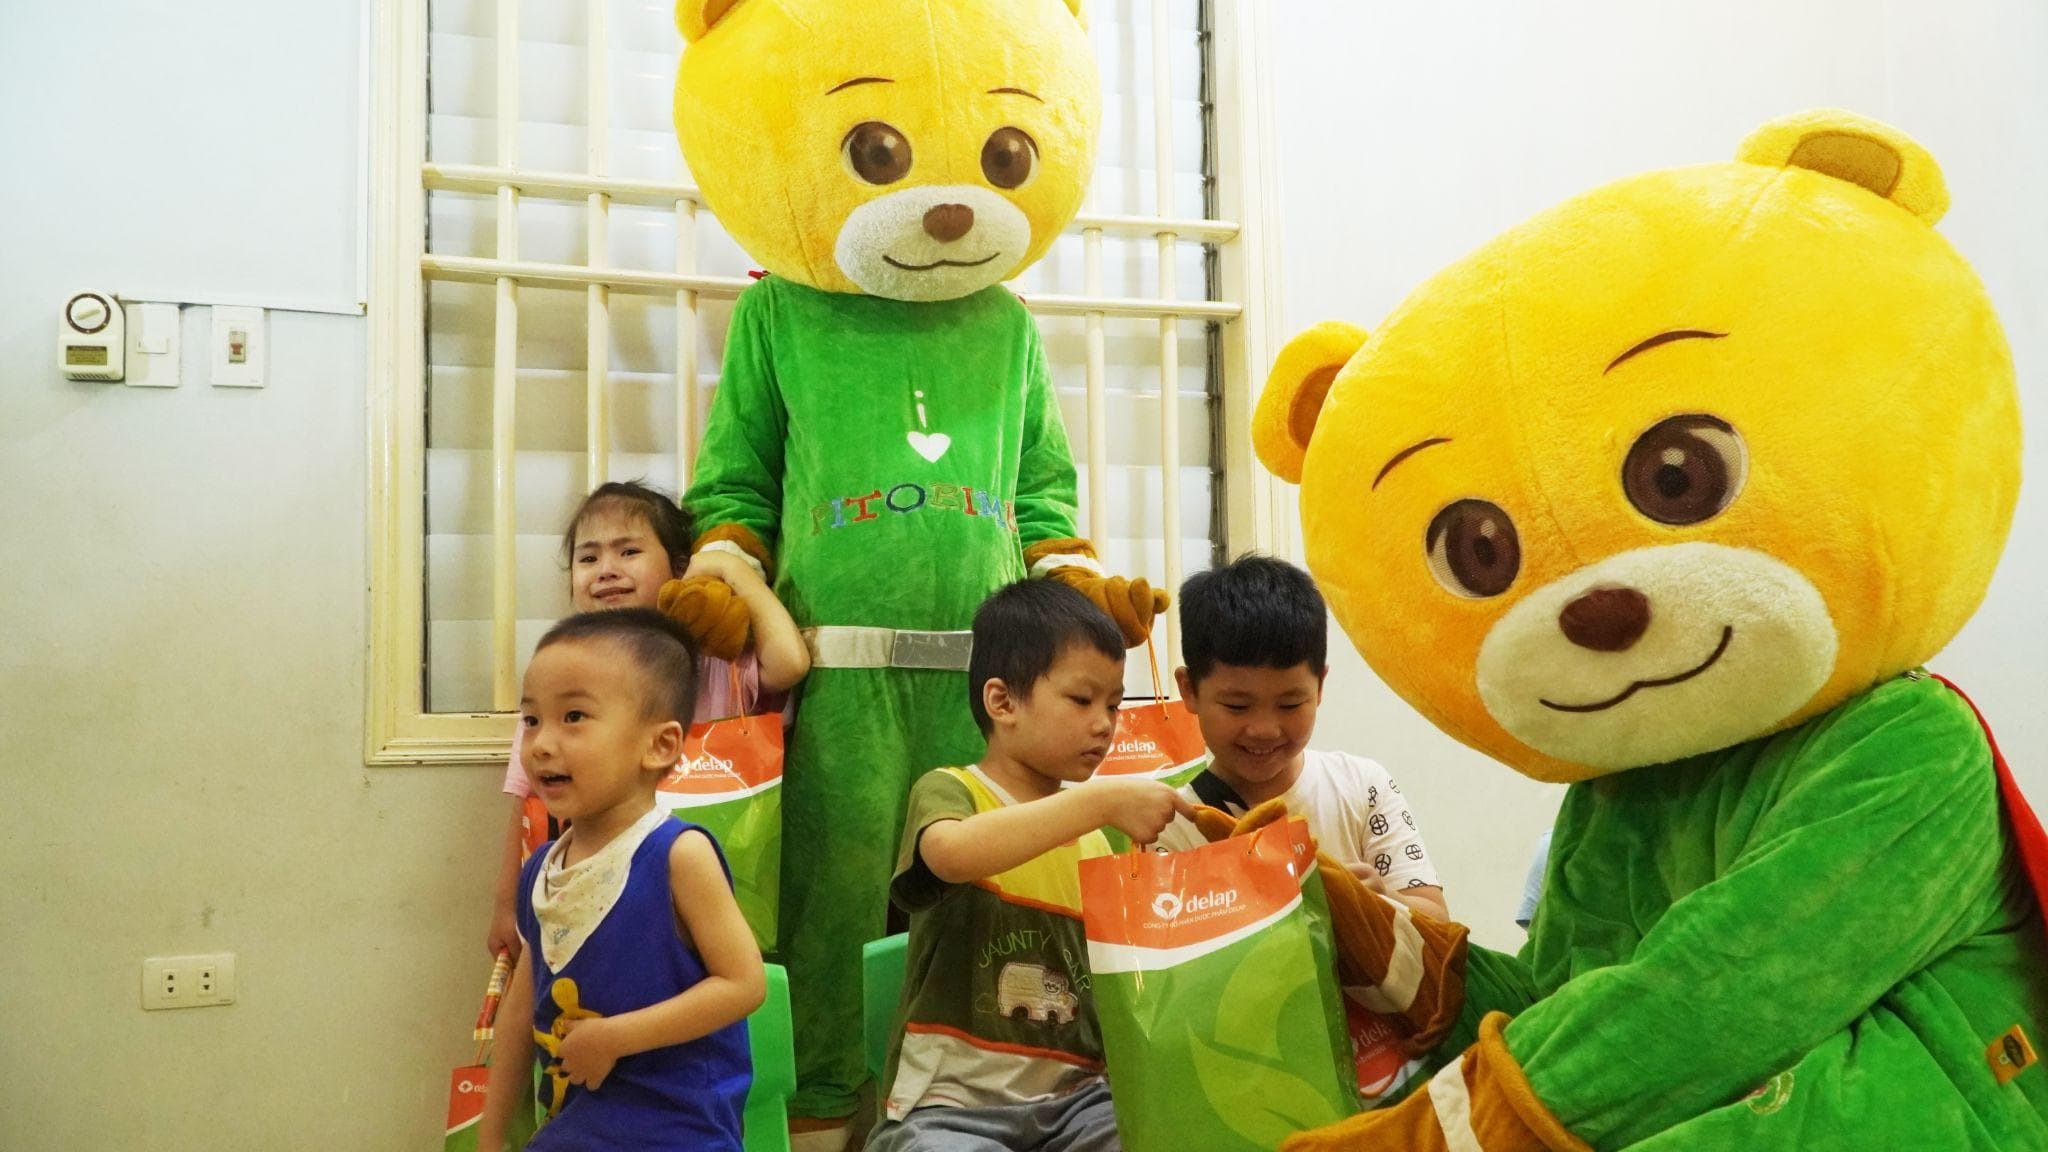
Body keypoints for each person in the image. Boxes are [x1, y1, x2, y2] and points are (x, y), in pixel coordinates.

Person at [868, 581, 1194, 1152]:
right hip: (950, 1108)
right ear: (1003, 703)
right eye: (1082, 699)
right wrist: (1099, 802)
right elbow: (950, 855)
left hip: (1077, 1105)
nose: (1105, 724)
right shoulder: (953, 790)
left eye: (1114, 705)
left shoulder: (1095, 841)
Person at [479, 609, 767, 1151]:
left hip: (680, 1135)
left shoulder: (680, 855)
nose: (540, 743)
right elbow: (518, 1015)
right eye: (532, 719)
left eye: (574, 716)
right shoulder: (540, 869)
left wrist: (616, 1037)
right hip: (574, 1132)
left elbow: (744, 984)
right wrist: (491, 1140)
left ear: (659, 746)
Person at [484, 481, 808, 962]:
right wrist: (505, 904)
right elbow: (529, 798)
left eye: (629, 551)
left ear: (679, 567)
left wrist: (729, 568)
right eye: (588, 557)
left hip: (707, 900)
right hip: (592, 899)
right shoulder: (560, 670)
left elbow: (790, 662)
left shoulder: (714, 660)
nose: (606, 570)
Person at [1159, 556, 1446, 920]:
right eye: (1237, 706)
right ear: (1189, 690)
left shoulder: (1362, 787)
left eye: (1290, 704)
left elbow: (1437, 920)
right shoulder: (1172, 826)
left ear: (1320, 686)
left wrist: (1378, 900)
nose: (1264, 729)